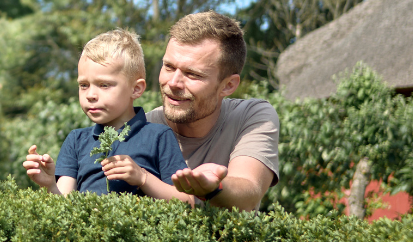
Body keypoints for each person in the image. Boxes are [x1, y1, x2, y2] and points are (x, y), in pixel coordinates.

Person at [22, 29, 193, 202]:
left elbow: (186, 201)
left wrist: (143, 178)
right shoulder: (76, 140)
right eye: (84, 85)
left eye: (104, 85)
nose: (90, 95)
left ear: (136, 89)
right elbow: (64, 207)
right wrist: (49, 185)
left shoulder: (159, 136)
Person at [146, 11, 280, 210]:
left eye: (192, 74)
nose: (173, 83)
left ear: (228, 85)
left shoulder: (251, 116)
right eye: (168, 67)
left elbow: (249, 192)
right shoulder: (143, 128)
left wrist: (213, 187)